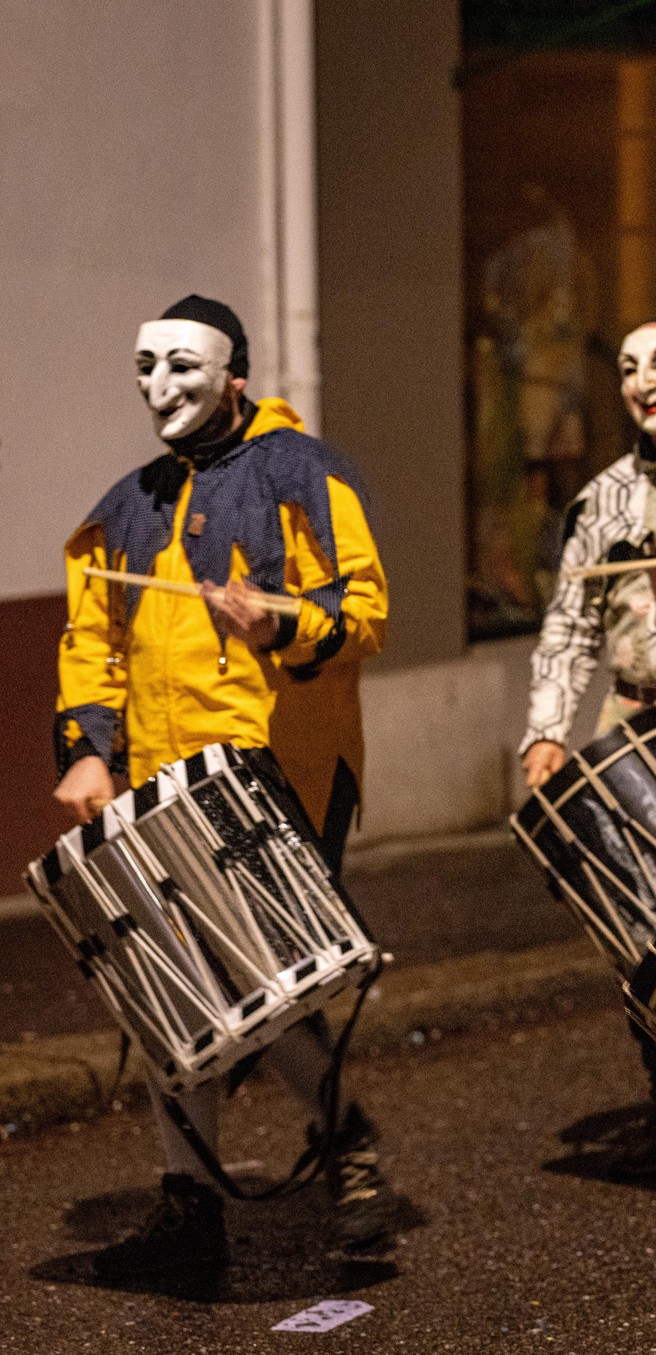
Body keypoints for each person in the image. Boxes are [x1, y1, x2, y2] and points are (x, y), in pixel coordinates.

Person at [54, 295, 396, 1279]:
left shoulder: (304, 470)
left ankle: (345, 1132)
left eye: (182, 368)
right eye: (144, 368)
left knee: (262, 980)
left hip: (271, 767)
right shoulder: (129, 504)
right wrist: (87, 746)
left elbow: (362, 610)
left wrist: (279, 619)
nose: (158, 388)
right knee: (166, 981)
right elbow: (93, 641)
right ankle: (190, 1205)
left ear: (234, 373)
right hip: (162, 776)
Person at [518, 317, 656, 1179]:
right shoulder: (605, 496)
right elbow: (570, 625)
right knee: (638, 918)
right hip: (633, 722)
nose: (644, 379)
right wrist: (547, 730)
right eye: (626, 367)